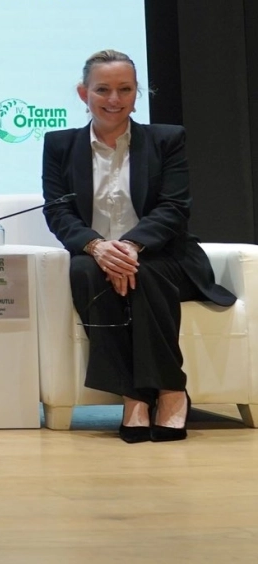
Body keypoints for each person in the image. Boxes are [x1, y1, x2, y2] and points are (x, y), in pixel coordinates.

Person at [42, 49, 233, 442]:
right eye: (103, 89)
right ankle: (134, 396)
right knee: (84, 271)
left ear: (136, 93)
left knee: (145, 274)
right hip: (95, 256)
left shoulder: (166, 139)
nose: (114, 99)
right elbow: (58, 212)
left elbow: (174, 207)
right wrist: (97, 247)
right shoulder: (60, 145)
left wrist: (130, 246)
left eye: (125, 89)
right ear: (83, 94)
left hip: (165, 255)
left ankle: (169, 389)